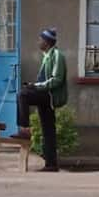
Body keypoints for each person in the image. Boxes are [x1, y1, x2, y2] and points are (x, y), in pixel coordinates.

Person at [12, 28, 67, 172]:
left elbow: (57, 80)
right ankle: (51, 164)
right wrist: (34, 86)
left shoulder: (57, 55)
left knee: (22, 94)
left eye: (40, 39)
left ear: (47, 42)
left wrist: (36, 86)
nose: (38, 42)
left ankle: (24, 129)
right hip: (44, 93)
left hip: (49, 95)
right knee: (48, 129)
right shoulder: (47, 55)